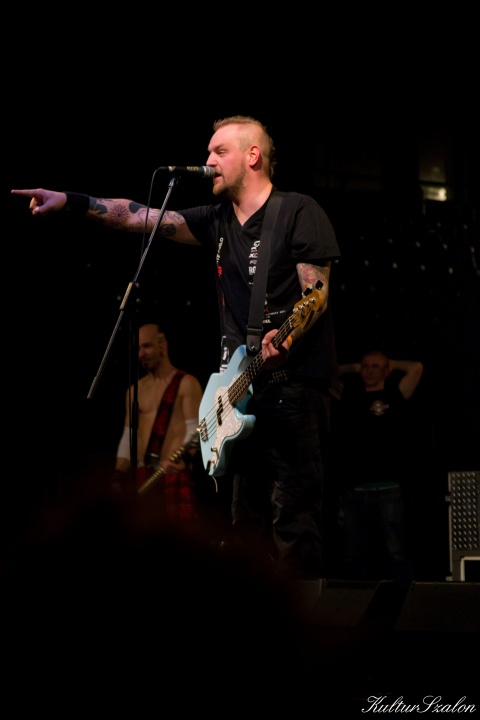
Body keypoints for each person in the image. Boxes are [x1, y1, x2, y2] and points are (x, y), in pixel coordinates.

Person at [11, 114, 341, 584]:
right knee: (244, 522)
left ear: (253, 156)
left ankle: (307, 612)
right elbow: (139, 216)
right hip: (240, 390)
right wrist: (70, 201)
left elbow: (317, 293)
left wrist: (287, 335)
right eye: (208, 152)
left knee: (294, 519)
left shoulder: (298, 211)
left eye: (218, 151)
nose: (207, 161)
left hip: (293, 390)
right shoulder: (216, 220)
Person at [331, 350, 424, 584]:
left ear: (386, 370)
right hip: (355, 490)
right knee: (353, 556)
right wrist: (354, 367)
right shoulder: (351, 397)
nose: (369, 370)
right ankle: (356, 602)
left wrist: (389, 363)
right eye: (365, 366)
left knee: (395, 553)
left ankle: (405, 600)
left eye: (375, 366)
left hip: (388, 488)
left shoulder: (395, 394)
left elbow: (416, 368)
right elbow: (329, 376)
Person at [112, 321, 204, 522]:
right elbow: (129, 436)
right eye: (138, 349)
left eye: (146, 346)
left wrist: (183, 458)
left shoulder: (187, 383)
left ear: (162, 345)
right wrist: (118, 476)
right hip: (143, 479)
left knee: (181, 537)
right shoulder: (134, 391)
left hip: (173, 475)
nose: (141, 354)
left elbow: (196, 430)